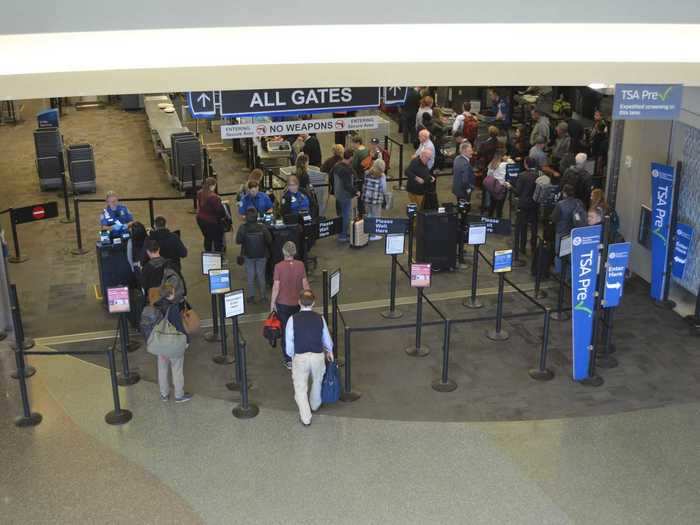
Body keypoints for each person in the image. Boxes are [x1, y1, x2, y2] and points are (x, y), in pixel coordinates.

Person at [285, 289, 334, 426]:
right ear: (313, 303)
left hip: (300, 356)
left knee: (300, 387)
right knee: (317, 381)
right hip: (318, 355)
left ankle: (306, 418)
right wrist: (329, 351)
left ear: (299, 302)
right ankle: (315, 404)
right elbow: (326, 339)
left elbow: (289, 342)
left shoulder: (292, 319)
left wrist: (291, 355)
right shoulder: (320, 318)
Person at [150, 283, 192, 403]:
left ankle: (164, 394)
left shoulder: (156, 305)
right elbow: (180, 327)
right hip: (173, 344)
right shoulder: (173, 308)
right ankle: (179, 395)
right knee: (177, 368)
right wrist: (187, 341)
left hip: (160, 342)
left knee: (162, 368)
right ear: (172, 293)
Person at [270, 241, 309, 369]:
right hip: (297, 303)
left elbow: (276, 287)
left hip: (283, 304)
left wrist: (272, 303)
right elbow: (305, 284)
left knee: (287, 330)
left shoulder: (278, 267)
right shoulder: (301, 265)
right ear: (294, 252)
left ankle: (288, 359)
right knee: (297, 330)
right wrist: (308, 301)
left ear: (283, 252)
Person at [236, 207, 272, 304]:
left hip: (248, 255)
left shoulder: (243, 228)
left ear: (246, 217)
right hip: (262, 255)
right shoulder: (262, 227)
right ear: (257, 217)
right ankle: (263, 297)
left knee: (250, 276)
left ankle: (251, 297)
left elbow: (238, 241)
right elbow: (269, 240)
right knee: (261, 275)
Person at [507, 157, 539, 255]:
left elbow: (518, 192)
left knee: (522, 227)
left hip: (523, 204)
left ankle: (522, 248)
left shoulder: (522, 176)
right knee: (534, 227)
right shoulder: (539, 175)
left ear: (526, 164)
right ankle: (534, 247)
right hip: (535, 204)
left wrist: (510, 187)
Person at [140, 240, 186, 305]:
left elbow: (144, 286)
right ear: (159, 249)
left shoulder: (146, 268)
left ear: (147, 252)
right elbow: (181, 280)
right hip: (172, 302)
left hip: (156, 304)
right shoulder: (171, 264)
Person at [551, 183, 586, 258]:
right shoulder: (579, 202)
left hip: (561, 231)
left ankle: (559, 269)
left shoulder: (560, 204)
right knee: (571, 253)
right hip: (575, 232)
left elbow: (554, 219)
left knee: (559, 254)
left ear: (564, 193)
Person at [331, 149, 356, 243]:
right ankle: (343, 235)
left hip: (338, 194)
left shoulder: (336, 166)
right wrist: (356, 191)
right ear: (350, 157)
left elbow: (331, 178)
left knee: (340, 214)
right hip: (344, 195)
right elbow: (347, 185)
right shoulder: (346, 170)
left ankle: (341, 232)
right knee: (346, 215)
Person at [196, 176, 227, 252]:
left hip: (200, 220)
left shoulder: (200, 193)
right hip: (212, 222)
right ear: (212, 186)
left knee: (207, 238)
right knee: (217, 240)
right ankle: (218, 257)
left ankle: (208, 254)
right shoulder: (215, 198)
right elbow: (220, 212)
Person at [362, 159, 387, 241]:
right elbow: (384, 189)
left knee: (368, 215)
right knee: (376, 216)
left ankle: (368, 232)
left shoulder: (367, 172)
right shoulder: (382, 176)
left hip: (366, 198)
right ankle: (373, 235)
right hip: (376, 200)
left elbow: (364, 183)